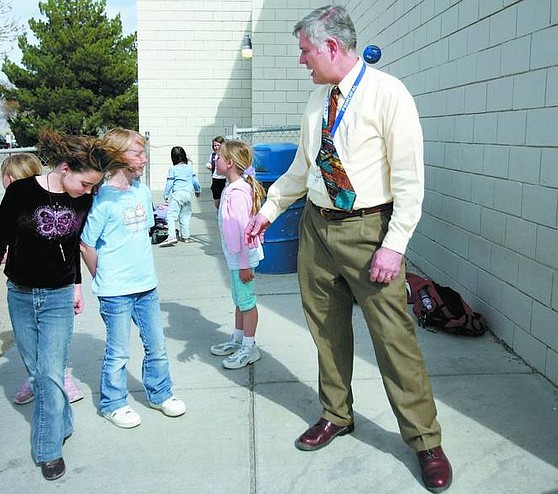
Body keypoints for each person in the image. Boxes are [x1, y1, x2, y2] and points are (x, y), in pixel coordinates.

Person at [244, 6, 452, 493]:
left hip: (370, 231)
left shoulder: (388, 94)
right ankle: (336, 414)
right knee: (326, 332)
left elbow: (410, 182)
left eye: (305, 51)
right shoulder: (319, 101)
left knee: (393, 339)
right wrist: (269, 210)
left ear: (332, 47)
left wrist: (394, 246)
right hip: (317, 228)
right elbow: (304, 168)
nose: (302, 61)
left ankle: (425, 440)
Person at [0, 130, 119, 481]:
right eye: (85, 184)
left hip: (57, 295)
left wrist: (76, 286)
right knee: (37, 371)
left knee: (50, 373)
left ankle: (48, 450)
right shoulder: (22, 192)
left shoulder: (81, 200)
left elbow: (72, 247)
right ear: (66, 168)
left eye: (92, 187)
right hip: (21, 294)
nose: (88, 192)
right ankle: (62, 421)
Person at [80, 127, 186, 430]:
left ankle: (160, 393)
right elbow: (86, 244)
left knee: (157, 344)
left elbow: (144, 231)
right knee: (118, 352)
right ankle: (113, 403)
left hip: (146, 286)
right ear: (117, 156)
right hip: (116, 291)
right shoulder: (102, 200)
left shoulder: (140, 190)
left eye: (144, 152)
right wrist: (101, 277)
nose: (144, 159)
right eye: (137, 153)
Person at [0, 153, 85, 406]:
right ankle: (38, 381)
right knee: (32, 343)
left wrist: (75, 286)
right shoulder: (16, 201)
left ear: (11, 178)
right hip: (22, 286)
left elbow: (71, 249)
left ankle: (57, 381)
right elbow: (2, 236)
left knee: (52, 346)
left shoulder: (44, 201)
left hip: (55, 287)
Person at [209, 140, 265, 369]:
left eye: (219, 157)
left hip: (242, 258)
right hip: (236, 258)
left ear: (229, 163)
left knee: (246, 301)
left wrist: (243, 264)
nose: (216, 160)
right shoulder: (232, 189)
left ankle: (249, 346)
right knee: (239, 301)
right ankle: (238, 338)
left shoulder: (238, 193)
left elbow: (244, 230)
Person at [159, 146, 201, 247]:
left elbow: (170, 183)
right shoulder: (189, 168)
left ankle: (172, 236)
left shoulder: (173, 169)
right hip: (187, 195)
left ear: (173, 158)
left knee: (171, 216)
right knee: (185, 216)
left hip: (177, 194)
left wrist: (166, 194)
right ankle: (185, 236)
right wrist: (198, 190)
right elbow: (195, 181)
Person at [205, 136, 226, 209]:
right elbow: (212, 167)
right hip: (215, 178)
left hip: (224, 179)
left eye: (218, 145)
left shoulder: (226, 155)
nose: (216, 147)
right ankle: (218, 210)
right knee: (216, 197)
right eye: (215, 145)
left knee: (224, 196)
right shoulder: (213, 155)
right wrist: (210, 167)